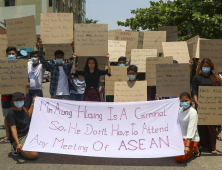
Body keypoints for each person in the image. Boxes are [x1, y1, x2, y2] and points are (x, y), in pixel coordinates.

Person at [192, 58, 221, 154]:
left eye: (208, 66)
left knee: (212, 126)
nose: (206, 68)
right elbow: (194, 91)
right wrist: (196, 102)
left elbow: (219, 91)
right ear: (201, 67)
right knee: (201, 125)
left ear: (211, 67)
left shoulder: (215, 77)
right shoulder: (197, 77)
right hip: (200, 104)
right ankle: (202, 145)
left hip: (212, 105)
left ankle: (212, 147)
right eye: (204, 66)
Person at [7, 92, 38, 159]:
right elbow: (13, 129)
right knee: (34, 155)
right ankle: (16, 146)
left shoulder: (24, 109)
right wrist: (18, 143)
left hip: (27, 135)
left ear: (23, 100)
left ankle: (24, 148)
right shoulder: (11, 113)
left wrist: (33, 102)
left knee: (42, 147)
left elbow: (29, 114)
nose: (19, 102)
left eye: (20, 100)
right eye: (16, 100)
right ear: (13, 101)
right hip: (19, 137)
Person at [175, 92, 200, 163]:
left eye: (186, 101)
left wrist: (187, 146)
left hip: (191, 139)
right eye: (182, 101)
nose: (184, 103)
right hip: (181, 138)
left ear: (190, 100)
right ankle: (194, 149)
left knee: (179, 159)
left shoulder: (193, 112)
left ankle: (194, 148)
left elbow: (191, 129)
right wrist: (158, 98)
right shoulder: (180, 110)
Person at [1, 47, 18, 142]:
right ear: (6, 55)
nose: (11, 55)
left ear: (16, 55)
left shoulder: (22, 65)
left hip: (17, 96)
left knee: (18, 114)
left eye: (13, 54)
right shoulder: (2, 65)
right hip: (6, 96)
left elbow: (26, 79)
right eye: (9, 54)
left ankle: (18, 134)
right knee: (7, 116)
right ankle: (8, 135)